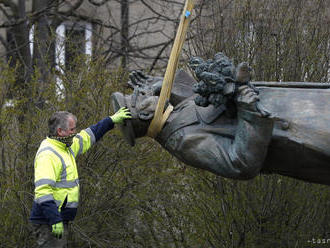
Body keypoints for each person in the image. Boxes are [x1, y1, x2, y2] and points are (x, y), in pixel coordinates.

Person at [110, 53, 330, 186]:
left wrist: (164, 84)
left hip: (298, 105)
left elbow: (197, 100)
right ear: (147, 114)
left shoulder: (174, 116)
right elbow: (240, 163)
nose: (146, 93)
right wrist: (248, 110)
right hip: (300, 132)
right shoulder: (184, 141)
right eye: (140, 98)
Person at [30, 107, 131, 247]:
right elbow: (43, 191)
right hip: (48, 221)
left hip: (58, 219)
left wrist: (111, 120)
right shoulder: (48, 154)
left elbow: (88, 135)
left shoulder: (66, 145)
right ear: (60, 131)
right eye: (72, 129)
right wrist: (54, 220)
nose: (75, 132)